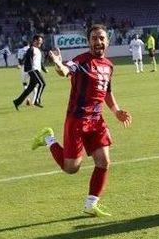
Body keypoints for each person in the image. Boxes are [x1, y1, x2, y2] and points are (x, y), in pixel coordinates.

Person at [31, 24, 132, 217]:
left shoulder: (109, 66)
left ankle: (90, 204)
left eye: (101, 38)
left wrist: (116, 111)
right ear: (89, 42)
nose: (98, 42)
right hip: (77, 120)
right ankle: (48, 139)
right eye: (94, 38)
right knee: (71, 168)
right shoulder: (82, 61)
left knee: (103, 161)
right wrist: (59, 64)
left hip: (97, 121)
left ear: (107, 41)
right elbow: (65, 71)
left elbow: (107, 92)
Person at [13, 34, 47, 109]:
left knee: (30, 88)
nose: (40, 43)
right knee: (42, 84)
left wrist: (43, 69)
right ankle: (36, 101)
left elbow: (39, 62)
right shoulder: (31, 49)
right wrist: (25, 66)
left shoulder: (38, 50)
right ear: (35, 41)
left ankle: (17, 102)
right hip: (33, 70)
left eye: (41, 42)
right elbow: (26, 59)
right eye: (39, 41)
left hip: (36, 70)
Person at [17, 41, 36, 106]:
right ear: (28, 44)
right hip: (31, 68)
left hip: (23, 68)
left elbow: (20, 60)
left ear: (23, 44)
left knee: (25, 84)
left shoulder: (20, 50)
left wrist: (19, 65)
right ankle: (34, 101)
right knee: (34, 84)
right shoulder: (32, 49)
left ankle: (27, 98)